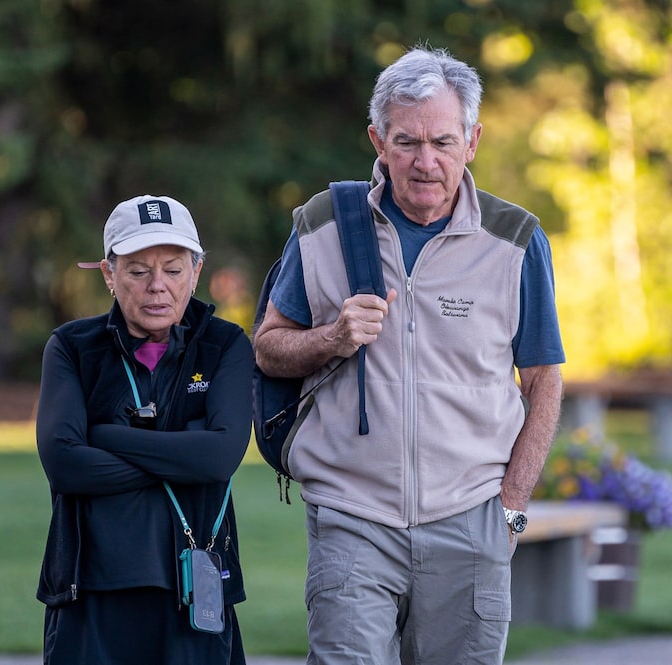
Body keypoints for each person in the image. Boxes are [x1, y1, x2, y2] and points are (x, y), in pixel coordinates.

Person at [253, 46, 565, 665]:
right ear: (377, 140)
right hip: (352, 514)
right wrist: (332, 339)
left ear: (473, 141)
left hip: (471, 519)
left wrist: (511, 508)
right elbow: (267, 349)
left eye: (444, 142)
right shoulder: (322, 227)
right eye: (407, 142)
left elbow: (542, 380)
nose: (426, 162)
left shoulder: (516, 241)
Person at [36, 195, 253, 664]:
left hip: (196, 590)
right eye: (137, 271)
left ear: (196, 273)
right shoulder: (72, 347)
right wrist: (183, 449)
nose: (158, 287)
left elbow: (219, 458)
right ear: (109, 274)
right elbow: (66, 465)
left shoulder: (225, 344)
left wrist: (106, 436)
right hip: (89, 589)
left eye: (173, 270)